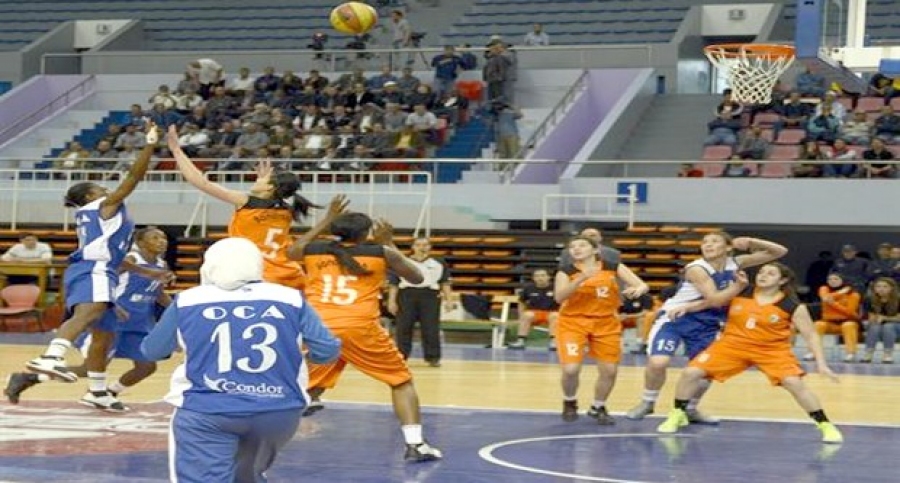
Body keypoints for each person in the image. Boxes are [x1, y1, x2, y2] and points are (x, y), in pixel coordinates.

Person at [140, 237, 341, 483]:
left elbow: (152, 351)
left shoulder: (189, 300)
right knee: (248, 477)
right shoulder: (290, 298)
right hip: (279, 410)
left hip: (207, 410)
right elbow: (327, 350)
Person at [15, 124, 171, 385]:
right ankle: (52, 356)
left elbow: (117, 257)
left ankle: (98, 391)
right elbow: (133, 178)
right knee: (90, 312)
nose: (106, 190)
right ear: (89, 195)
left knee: (104, 333)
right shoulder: (102, 206)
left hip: (102, 268)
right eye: (99, 187)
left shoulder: (94, 215)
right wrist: (150, 145)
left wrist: (147, 272)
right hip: (95, 268)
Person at [287, 211, 443, 462]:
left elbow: (291, 251)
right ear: (365, 233)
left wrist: (325, 220)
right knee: (401, 381)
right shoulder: (381, 252)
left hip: (318, 327)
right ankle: (416, 444)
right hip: (358, 327)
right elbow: (418, 277)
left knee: (305, 387)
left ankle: (254, 434)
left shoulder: (314, 250)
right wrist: (389, 242)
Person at [656, 263, 843, 444]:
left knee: (794, 383)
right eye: (761, 272)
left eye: (770, 273)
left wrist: (822, 364)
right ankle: (677, 414)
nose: (762, 275)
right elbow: (712, 301)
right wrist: (687, 307)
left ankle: (825, 425)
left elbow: (811, 335)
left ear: (783, 280)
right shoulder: (741, 291)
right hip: (732, 345)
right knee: (691, 372)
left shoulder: (791, 304)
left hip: (771, 350)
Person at [626, 233, 788, 422]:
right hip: (676, 318)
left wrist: (752, 242)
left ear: (728, 247)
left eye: (714, 241)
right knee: (658, 362)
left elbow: (780, 251)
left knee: (705, 371)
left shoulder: (735, 262)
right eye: (705, 242)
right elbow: (715, 299)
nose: (708, 245)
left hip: (708, 323)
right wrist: (737, 286)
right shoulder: (697, 268)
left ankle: (691, 409)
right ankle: (648, 402)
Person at [5, 227, 174, 408]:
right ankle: (28, 378)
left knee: (147, 366)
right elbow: (106, 282)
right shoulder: (130, 260)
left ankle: (111, 391)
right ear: (140, 243)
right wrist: (113, 305)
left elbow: (158, 294)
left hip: (138, 323)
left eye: (163, 237)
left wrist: (177, 310)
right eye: (155, 238)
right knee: (90, 368)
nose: (162, 241)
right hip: (115, 320)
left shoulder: (161, 264)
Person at [167, 125, 334, 290]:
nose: (255, 180)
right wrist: (265, 181)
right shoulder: (286, 208)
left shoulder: (246, 202)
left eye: (260, 180)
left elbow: (200, 181)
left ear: (270, 188)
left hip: (258, 273)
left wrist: (176, 150)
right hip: (288, 272)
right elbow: (272, 198)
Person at [555, 235, 649, 424]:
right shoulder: (565, 272)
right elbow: (559, 297)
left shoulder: (612, 266)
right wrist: (581, 278)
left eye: (582, 245)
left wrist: (639, 289)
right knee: (571, 369)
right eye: (572, 246)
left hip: (606, 323)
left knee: (609, 370)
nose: (576, 249)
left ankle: (598, 406)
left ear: (595, 250)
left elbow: (641, 284)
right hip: (573, 323)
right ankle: (569, 401)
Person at [387, 237, 453, 367]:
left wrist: (449, 300)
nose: (421, 247)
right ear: (413, 247)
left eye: (425, 245)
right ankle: (401, 356)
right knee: (404, 327)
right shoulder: (402, 261)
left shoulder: (439, 262)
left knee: (431, 328)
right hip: (406, 295)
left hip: (430, 295)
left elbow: (445, 282)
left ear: (430, 247)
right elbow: (394, 284)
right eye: (418, 244)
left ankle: (433, 357)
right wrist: (391, 301)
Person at [808, 272, 861, 362]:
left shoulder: (853, 294)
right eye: (830, 279)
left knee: (848, 325)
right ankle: (813, 352)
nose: (832, 281)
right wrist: (840, 293)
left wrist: (833, 304)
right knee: (818, 324)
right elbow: (825, 298)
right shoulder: (824, 288)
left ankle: (850, 353)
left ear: (843, 280)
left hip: (847, 321)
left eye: (836, 279)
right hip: (829, 322)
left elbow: (850, 312)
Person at [507, 268, 559, 351]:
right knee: (527, 315)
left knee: (555, 316)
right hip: (534, 313)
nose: (540, 278)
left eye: (543, 275)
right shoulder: (529, 288)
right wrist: (521, 316)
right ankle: (521, 341)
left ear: (548, 277)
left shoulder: (556, 287)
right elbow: (521, 302)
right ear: (533, 278)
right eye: (537, 276)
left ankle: (554, 341)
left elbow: (564, 300)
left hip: (551, 312)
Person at [861, 277, 900, 363]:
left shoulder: (898, 299)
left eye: (885, 286)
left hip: (897, 326)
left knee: (888, 326)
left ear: (892, 288)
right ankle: (869, 353)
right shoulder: (869, 299)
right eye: (878, 286)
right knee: (874, 327)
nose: (881, 289)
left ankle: (887, 354)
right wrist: (873, 319)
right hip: (879, 325)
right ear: (874, 288)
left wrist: (884, 318)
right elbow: (871, 317)